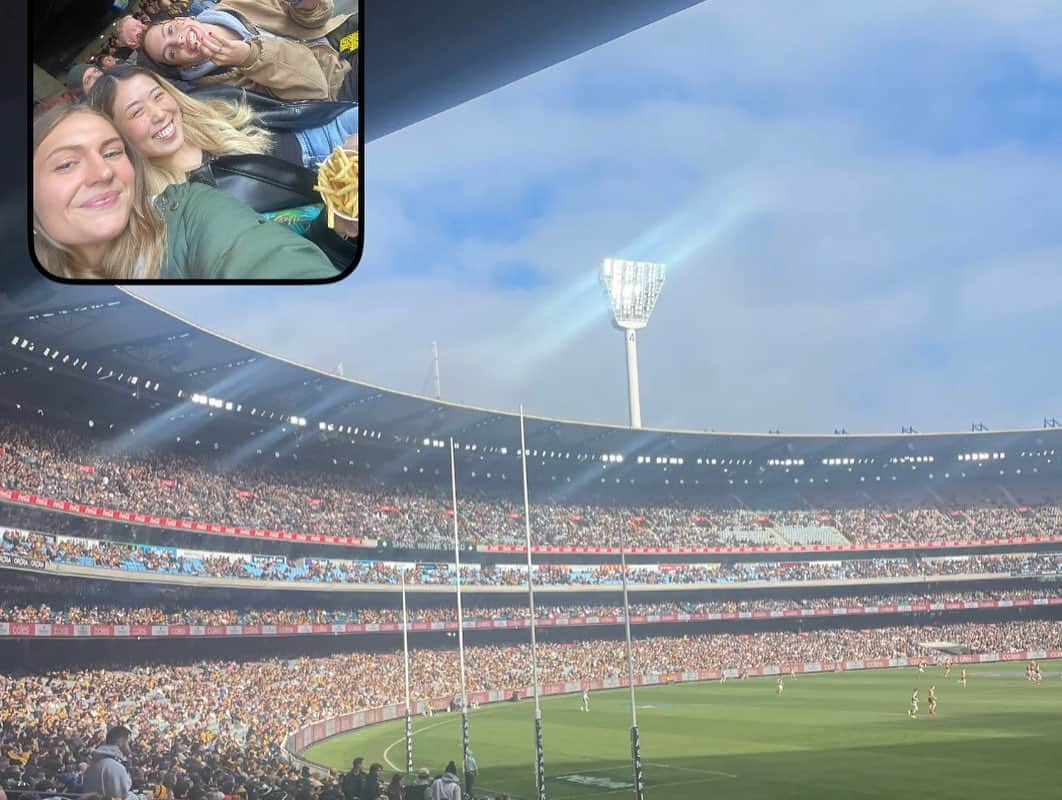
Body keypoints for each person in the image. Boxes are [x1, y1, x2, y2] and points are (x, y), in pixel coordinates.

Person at [32, 105, 337, 280]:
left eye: (112, 153)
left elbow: (269, 259)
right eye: (66, 164)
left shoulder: (188, 209)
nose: (102, 172)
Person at [87, 65, 359, 257]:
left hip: (327, 131)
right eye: (136, 112)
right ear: (117, 137)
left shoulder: (208, 103)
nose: (158, 113)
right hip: (333, 206)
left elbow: (308, 93)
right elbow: (291, 248)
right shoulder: (179, 206)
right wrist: (338, 217)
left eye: (158, 95)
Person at [138, 0, 357, 101]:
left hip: (337, 32)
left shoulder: (236, 4)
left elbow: (319, 17)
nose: (179, 40)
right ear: (183, 66)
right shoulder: (220, 90)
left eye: (169, 30)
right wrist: (251, 57)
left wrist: (305, 6)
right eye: (171, 53)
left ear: (182, 18)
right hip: (338, 84)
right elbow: (316, 88)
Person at [83, 726, 134, 799]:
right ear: (120, 741)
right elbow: (121, 797)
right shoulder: (114, 767)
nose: (130, 746)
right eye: (128, 742)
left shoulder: (96, 762)